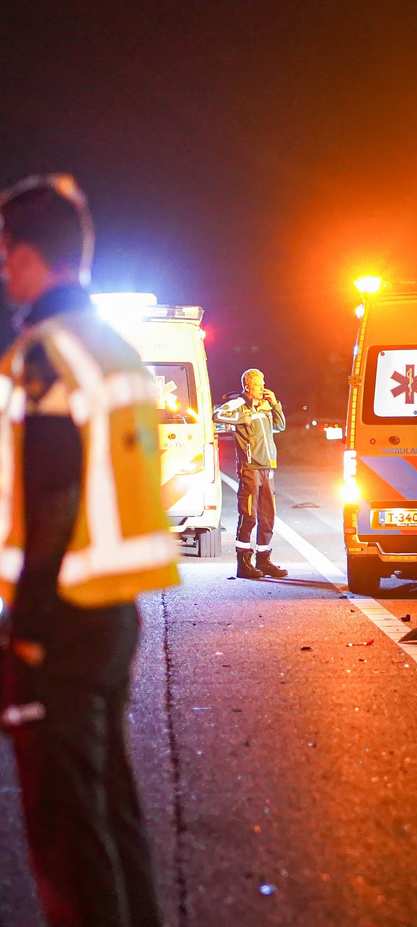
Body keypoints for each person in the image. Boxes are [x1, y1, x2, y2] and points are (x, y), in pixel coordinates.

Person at [0, 174, 179, 926]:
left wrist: (26, 632)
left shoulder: (44, 353)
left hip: (61, 617)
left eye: (5, 251)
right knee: (111, 811)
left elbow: (51, 498)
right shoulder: (116, 350)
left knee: (66, 835)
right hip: (114, 613)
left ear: (26, 253)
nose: (3, 269)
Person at [213, 368, 287, 578]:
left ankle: (264, 561)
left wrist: (274, 404)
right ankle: (243, 563)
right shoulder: (239, 404)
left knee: (268, 517)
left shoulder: (264, 405)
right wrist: (241, 418)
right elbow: (217, 415)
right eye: (258, 384)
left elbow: (280, 426)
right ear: (247, 386)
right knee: (249, 516)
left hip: (267, 467)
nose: (263, 387)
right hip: (250, 468)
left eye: (263, 383)